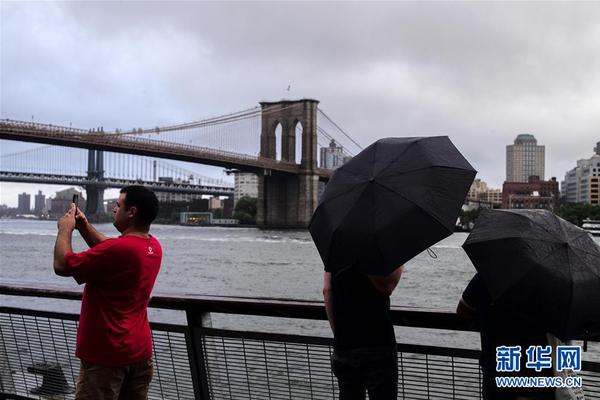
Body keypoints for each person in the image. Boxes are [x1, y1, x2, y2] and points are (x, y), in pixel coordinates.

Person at [53, 185, 162, 400]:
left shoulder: (117, 250)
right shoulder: (153, 246)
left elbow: (62, 265)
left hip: (106, 356)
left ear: (131, 212)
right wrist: (84, 226)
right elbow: (110, 248)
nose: (113, 208)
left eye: (118, 205)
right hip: (139, 353)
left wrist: (65, 228)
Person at [457, 273, 555, 400]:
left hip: (495, 369)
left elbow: (462, 310)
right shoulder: (545, 280)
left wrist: (483, 317)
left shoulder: (487, 275)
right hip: (534, 372)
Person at [323, 264, 403, 400]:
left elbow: (327, 290)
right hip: (377, 343)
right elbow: (386, 286)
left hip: (344, 346)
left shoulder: (335, 250)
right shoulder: (373, 251)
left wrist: (339, 334)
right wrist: (400, 263)